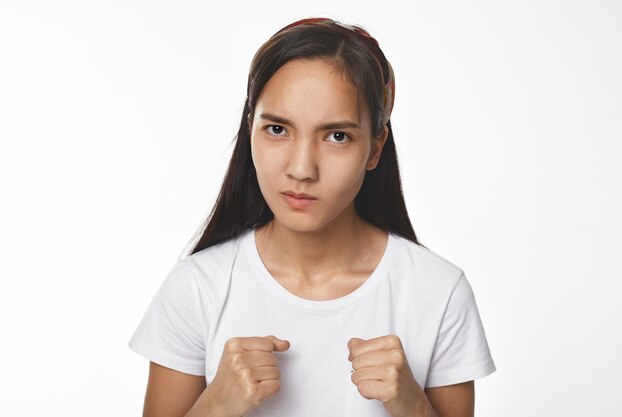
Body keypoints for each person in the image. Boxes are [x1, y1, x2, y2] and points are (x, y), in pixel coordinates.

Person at [128, 17, 496, 417]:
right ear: (250, 127)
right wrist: (215, 406)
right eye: (277, 129)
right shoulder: (196, 289)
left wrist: (411, 404)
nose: (302, 169)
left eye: (337, 136)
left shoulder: (438, 293)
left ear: (375, 148)